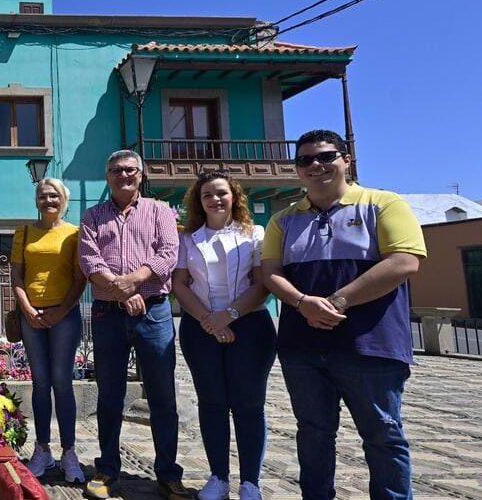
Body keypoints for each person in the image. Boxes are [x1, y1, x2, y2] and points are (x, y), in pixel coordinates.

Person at [262, 129, 425, 500]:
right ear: (297, 170)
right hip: (302, 347)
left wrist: (337, 302)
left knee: (383, 435)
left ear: (345, 159)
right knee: (313, 433)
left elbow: (404, 262)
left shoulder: (384, 204)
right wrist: (303, 302)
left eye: (325, 157)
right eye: (305, 160)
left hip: (370, 345)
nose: (316, 166)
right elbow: (268, 272)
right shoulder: (283, 220)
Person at [79, 150, 191, 500]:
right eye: (116, 170)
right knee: (109, 394)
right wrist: (120, 291)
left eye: (130, 170)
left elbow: (168, 254)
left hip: (154, 311)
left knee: (162, 395)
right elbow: (89, 259)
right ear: (107, 176)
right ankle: (107, 468)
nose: (123, 175)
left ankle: (168, 474)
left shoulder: (160, 211)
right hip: (108, 314)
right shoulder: (93, 216)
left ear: (141, 175)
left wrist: (133, 282)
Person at [171, 171, 275, 500]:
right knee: (212, 402)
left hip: (250, 326)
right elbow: (179, 285)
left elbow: (262, 284)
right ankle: (218, 477)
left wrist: (228, 316)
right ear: (199, 202)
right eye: (207, 195)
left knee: (248, 404)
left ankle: (250, 483)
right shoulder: (187, 238)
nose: (215, 199)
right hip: (200, 327)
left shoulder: (254, 234)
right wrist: (209, 320)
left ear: (234, 196)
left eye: (221, 193)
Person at [10, 177, 88, 483]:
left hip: (64, 316)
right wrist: (27, 308)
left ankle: (69, 452)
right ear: (36, 201)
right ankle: (42, 450)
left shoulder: (74, 234)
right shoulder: (24, 233)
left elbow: (79, 277)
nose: (48, 201)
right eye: (43, 196)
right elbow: (16, 275)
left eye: (54, 196)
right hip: (32, 317)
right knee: (40, 384)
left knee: (62, 382)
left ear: (63, 200)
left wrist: (61, 310)